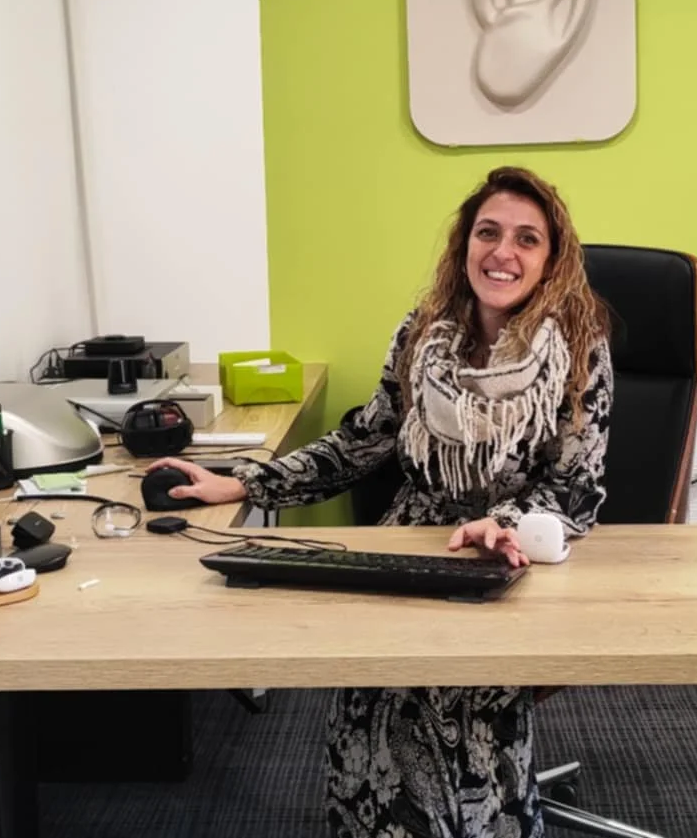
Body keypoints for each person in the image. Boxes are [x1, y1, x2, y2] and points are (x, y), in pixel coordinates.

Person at [150, 166, 613, 837]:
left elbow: (576, 487)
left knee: (465, 706)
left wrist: (503, 521)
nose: (502, 252)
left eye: (526, 238)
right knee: (371, 693)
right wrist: (247, 482)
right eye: (488, 232)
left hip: (510, 554)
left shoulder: (578, 346)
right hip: (414, 540)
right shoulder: (424, 333)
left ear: (551, 259)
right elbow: (367, 439)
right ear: (464, 245)